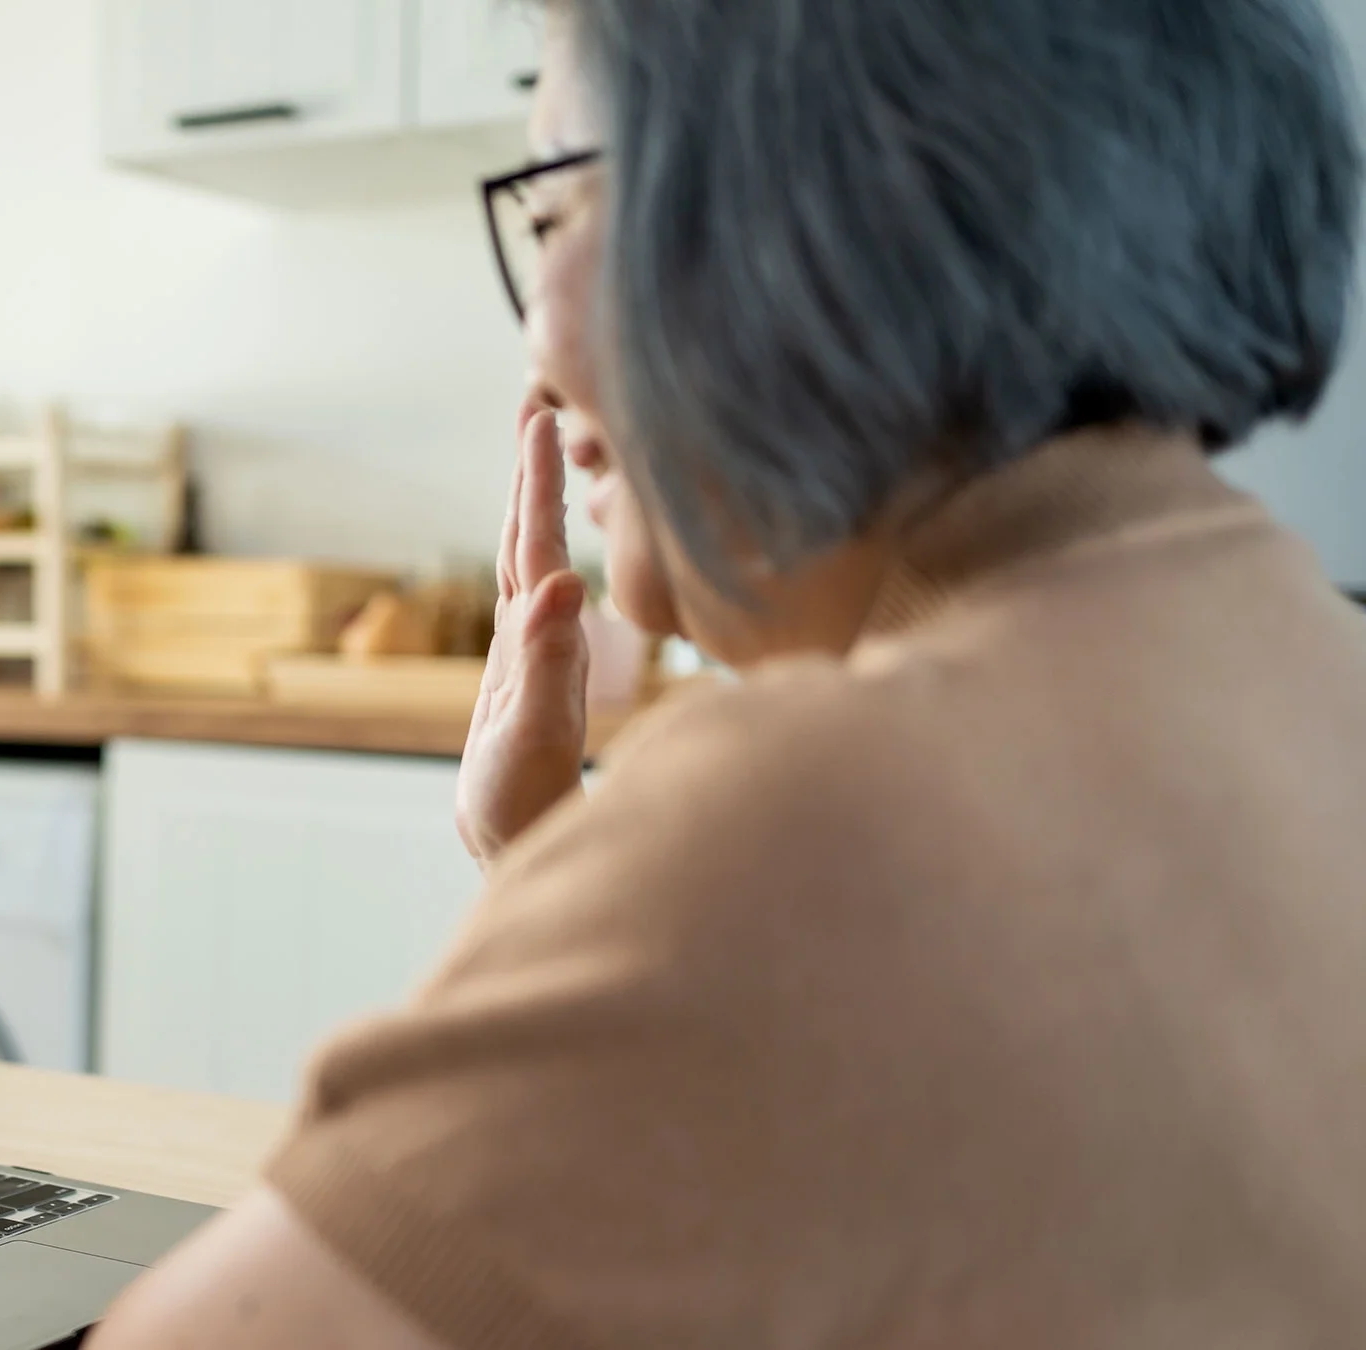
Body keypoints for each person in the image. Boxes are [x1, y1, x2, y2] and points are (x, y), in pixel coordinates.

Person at [95, 0, 1366, 1346]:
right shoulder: (1316, 671)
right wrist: (552, 860)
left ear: (797, 207)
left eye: (552, 212)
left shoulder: (812, 821)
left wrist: (629, 883)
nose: (532, 350)